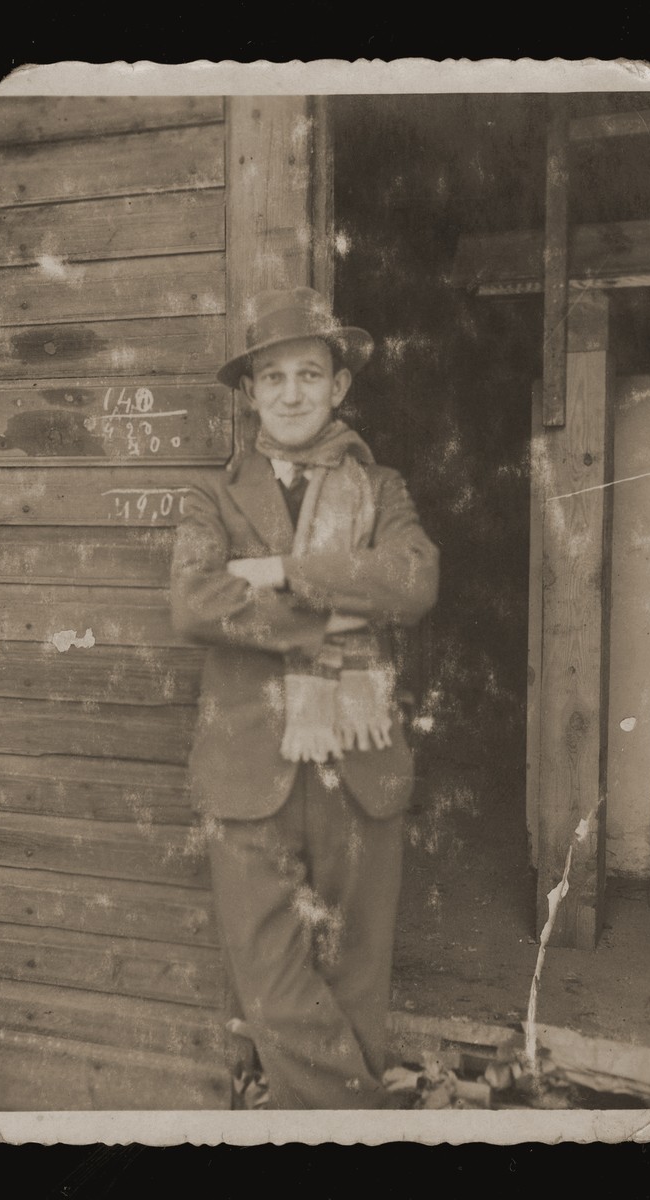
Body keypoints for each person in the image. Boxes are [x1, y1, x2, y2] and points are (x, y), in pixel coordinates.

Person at [170, 286, 439, 1109]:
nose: (291, 393)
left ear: (338, 388)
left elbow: (414, 579)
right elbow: (193, 603)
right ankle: (363, 1123)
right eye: (274, 377)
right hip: (249, 770)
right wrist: (321, 624)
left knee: (355, 980)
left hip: (359, 763)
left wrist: (285, 572)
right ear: (250, 393)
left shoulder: (383, 487)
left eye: (309, 376)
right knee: (271, 979)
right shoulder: (209, 498)